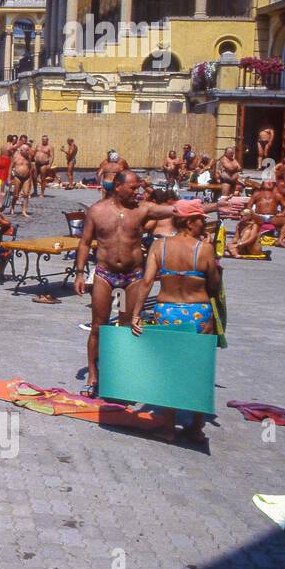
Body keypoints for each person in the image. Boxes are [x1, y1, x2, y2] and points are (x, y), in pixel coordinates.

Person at [73, 170, 213, 398]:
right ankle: (93, 375)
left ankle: (122, 375)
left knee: (128, 327)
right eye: (132, 188)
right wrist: (79, 273)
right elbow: (85, 243)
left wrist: (213, 207)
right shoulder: (97, 211)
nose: (137, 191)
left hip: (132, 277)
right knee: (98, 326)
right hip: (104, 274)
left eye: (138, 187)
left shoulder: (143, 209)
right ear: (118, 187)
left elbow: (178, 209)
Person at [131, 200, 220, 442]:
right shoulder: (204, 249)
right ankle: (196, 427)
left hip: (166, 311)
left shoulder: (159, 246)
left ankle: (168, 428)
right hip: (198, 312)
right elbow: (214, 285)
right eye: (201, 218)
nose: (204, 222)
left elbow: (147, 281)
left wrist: (136, 314)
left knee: (168, 369)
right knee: (198, 369)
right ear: (190, 221)